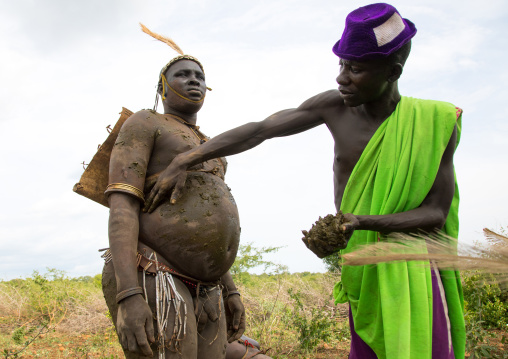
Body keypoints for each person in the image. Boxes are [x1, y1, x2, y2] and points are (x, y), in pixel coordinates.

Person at [143, 4, 466, 359]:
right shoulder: (334, 107)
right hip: (364, 266)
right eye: (341, 65)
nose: (342, 78)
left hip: (412, 270)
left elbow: (434, 212)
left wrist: (361, 223)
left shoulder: (434, 123)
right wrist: (187, 157)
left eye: (355, 69)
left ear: (393, 71)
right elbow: (261, 131)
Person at [102, 33, 251, 358]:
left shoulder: (213, 146)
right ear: (162, 87)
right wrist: (128, 293)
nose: (193, 80)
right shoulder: (146, 122)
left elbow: (209, 224)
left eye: (200, 76)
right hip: (155, 272)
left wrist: (231, 289)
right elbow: (122, 205)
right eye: (182, 74)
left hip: (209, 285)